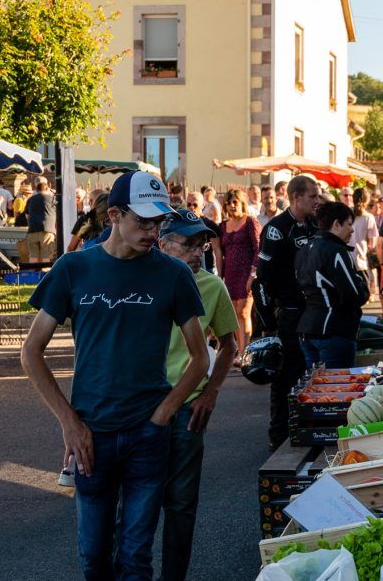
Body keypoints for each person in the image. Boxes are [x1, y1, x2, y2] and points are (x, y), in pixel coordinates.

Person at [20, 171, 208, 581]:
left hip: (147, 435)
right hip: (91, 434)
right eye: (143, 220)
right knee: (92, 557)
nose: (153, 231)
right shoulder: (74, 268)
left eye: (159, 221)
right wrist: (69, 423)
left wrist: (163, 414)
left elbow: (200, 358)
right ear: (114, 216)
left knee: (136, 559)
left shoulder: (173, 274)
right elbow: (31, 351)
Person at [156, 210, 238, 581]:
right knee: (135, 504)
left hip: (189, 409)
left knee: (181, 505)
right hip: (142, 406)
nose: (197, 252)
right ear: (163, 245)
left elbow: (228, 345)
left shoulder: (211, 286)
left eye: (202, 244)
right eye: (188, 244)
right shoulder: (142, 281)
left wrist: (211, 392)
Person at [253, 175, 320, 450]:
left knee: (313, 373)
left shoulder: (316, 225)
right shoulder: (276, 229)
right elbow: (261, 281)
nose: (318, 201)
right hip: (289, 314)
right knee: (286, 377)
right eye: (313, 196)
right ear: (296, 197)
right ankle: (278, 434)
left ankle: (309, 428)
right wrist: (268, 322)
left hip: (314, 312)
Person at [296, 202, 370, 368]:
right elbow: (356, 295)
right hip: (334, 332)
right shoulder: (335, 250)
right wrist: (361, 281)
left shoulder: (305, 249)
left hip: (308, 330)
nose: (352, 230)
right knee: (335, 389)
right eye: (349, 224)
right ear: (336, 224)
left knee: (315, 390)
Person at [215, 189, 261, 355]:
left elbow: (258, 248)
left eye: (235, 202)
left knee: (244, 311)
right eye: (229, 202)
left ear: (242, 203)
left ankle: (244, 353)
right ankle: (240, 351)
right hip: (230, 273)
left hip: (247, 272)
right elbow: (220, 252)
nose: (232, 206)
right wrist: (220, 277)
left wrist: (253, 274)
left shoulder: (250, 222)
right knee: (234, 314)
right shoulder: (223, 226)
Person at [351, 188, 379, 299]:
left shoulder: (347, 213)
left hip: (345, 256)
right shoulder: (368, 217)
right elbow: (372, 244)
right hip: (360, 259)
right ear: (367, 201)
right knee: (361, 293)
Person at [186, 191, 223, 275]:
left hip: (208, 268)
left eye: (195, 204)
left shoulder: (210, 225)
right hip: (188, 267)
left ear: (202, 205)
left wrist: (220, 275)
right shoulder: (183, 223)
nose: (192, 207)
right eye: (189, 204)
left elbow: (217, 251)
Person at [25, 176, 58, 264]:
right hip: (47, 230)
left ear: (37, 189)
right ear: (47, 187)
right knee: (46, 256)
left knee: (33, 256)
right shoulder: (53, 199)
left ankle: (32, 276)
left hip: (32, 230)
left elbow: (27, 215)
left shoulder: (30, 199)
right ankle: (45, 276)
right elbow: (58, 215)